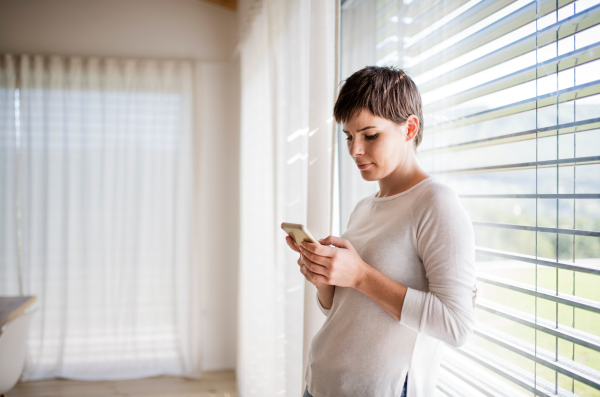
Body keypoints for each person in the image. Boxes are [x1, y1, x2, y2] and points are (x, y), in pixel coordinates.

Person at [285, 66, 478, 397]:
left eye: (369, 135)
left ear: (410, 128)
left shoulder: (436, 203)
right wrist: (325, 281)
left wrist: (360, 275)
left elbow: (455, 325)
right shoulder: (365, 207)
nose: (354, 150)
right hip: (321, 383)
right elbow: (344, 312)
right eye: (348, 136)